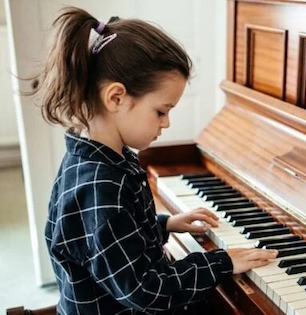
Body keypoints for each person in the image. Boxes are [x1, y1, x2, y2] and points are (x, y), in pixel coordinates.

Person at [32, 6, 278, 314]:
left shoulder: (104, 159)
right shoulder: (100, 186)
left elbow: (115, 240)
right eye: (161, 111)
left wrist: (167, 225)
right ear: (116, 98)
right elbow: (144, 290)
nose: (166, 123)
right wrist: (221, 262)